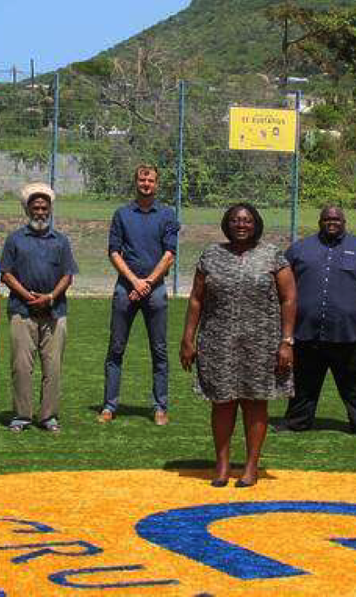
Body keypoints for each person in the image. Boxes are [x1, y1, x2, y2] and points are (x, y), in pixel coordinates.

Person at [180, 204, 296, 487]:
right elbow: (197, 298)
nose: (241, 225)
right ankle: (222, 465)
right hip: (218, 341)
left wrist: (287, 341)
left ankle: (251, 467)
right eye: (235, 220)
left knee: (256, 402)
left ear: (256, 223)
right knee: (222, 402)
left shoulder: (272, 255)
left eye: (246, 220)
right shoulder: (211, 255)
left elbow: (289, 299)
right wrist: (188, 338)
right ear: (226, 224)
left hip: (263, 343)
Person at [279, 205, 356, 436]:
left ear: (344, 221)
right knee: (304, 381)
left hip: (350, 333)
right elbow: (282, 280)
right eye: (327, 219)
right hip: (308, 331)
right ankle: (297, 421)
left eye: (337, 219)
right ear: (319, 221)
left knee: (355, 382)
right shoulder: (300, 249)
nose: (332, 222)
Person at [99, 164, 180, 426]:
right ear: (136, 182)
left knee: (159, 350)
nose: (146, 183)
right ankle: (110, 406)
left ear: (157, 185)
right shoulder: (122, 214)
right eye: (142, 179)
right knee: (116, 348)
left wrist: (148, 282)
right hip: (126, 288)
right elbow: (113, 251)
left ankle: (160, 407)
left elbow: (169, 255)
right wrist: (134, 281)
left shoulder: (167, 214)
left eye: (151, 180)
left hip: (155, 291)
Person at [0, 183, 78, 433]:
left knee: (52, 367)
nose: (40, 212)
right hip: (21, 312)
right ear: (27, 210)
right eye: (35, 207)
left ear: (50, 210)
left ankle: (48, 416)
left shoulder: (61, 241)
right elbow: (6, 274)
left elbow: (68, 275)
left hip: (55, 313)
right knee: (22, 367)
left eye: (45, 208)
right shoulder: (15, 240)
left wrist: (51, 297)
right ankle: (22, 416)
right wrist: (28, 297)